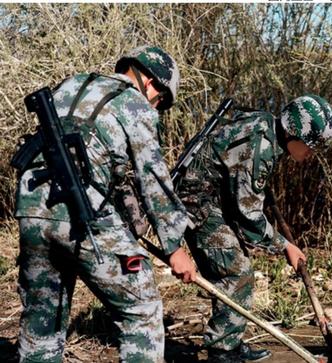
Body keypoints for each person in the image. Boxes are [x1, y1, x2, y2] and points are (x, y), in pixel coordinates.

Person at [13, 45, 196, 363]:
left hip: (32, 210)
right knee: (142, 308)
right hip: (80, 213)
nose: (156, 108)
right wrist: (175, 248)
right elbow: (154, 180)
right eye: (161, 101)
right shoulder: (134, 104)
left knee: (43, 320)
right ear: (152, 82)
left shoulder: (72, 85)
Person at [175, 95, 332, 362]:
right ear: (294, 132)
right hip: (197, 205)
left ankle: (230, 343)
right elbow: (247, 214)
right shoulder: (259, 147)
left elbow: (245, 189)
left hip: (215, 199)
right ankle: (222, 352)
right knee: (237, 272)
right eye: (311, 145)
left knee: (236, 268)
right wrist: (284, 246)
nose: (311, 153)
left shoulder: (265, 125)